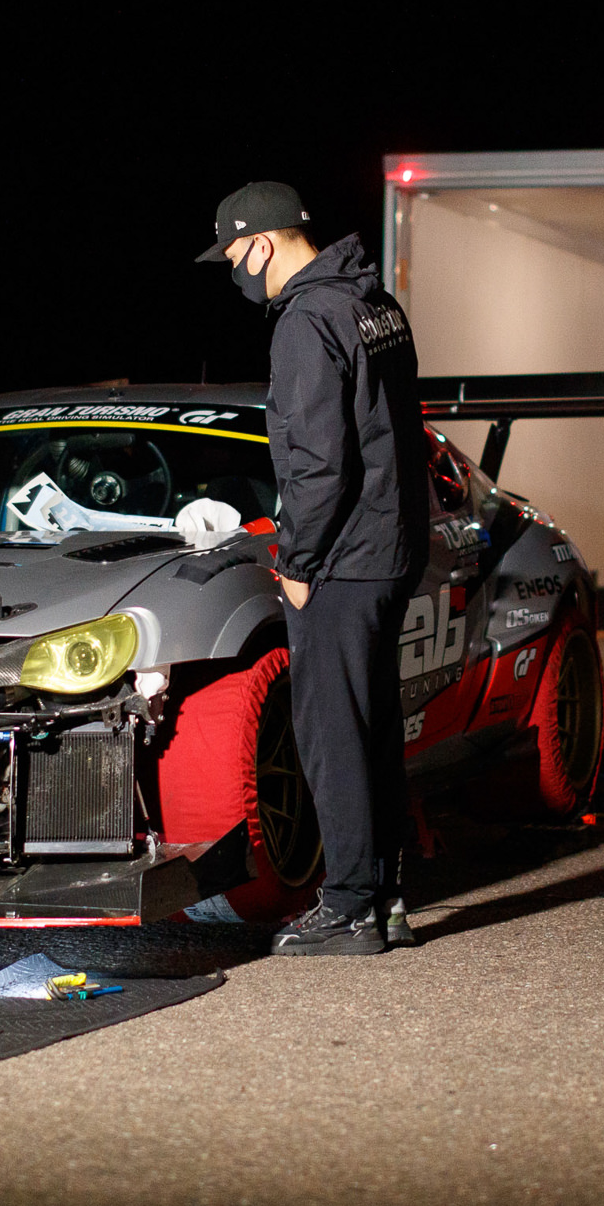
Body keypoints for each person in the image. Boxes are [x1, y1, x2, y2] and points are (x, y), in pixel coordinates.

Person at [198, 181, 427, 955]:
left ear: (262, 243)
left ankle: (351, 906)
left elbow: (319, 461)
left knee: (333, 733)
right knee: (375, 728)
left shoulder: (305, 320)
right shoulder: (375, 303)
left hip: (341, 558)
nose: (236, 271)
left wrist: (296, 559)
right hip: (391, 549)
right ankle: (386, 898)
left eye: (234, 254)